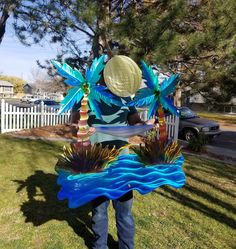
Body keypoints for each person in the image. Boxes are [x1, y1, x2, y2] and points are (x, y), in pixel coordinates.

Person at [71, 94, 154, 249]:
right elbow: (73, 127)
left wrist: (144, 124)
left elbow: (134, 121)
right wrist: (81, 130)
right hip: (97, 164)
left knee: (125, 213)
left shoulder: (125, 97)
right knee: (99, 211)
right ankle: (99, 246)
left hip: (122, 165)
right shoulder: (84, 94)